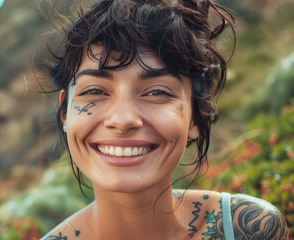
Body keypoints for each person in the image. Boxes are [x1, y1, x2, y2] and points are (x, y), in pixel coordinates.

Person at [40, 0, 290, 239]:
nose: (122, 119)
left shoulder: (249, 228)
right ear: (65, 112)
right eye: (94, 91)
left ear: (196, 116)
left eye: (157, 92)